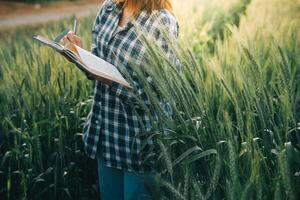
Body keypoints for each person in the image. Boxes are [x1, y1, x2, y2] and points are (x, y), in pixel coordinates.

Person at [62, 0, 179, 199]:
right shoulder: (109, 8)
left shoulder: (162, 22)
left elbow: (157, 93)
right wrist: (79, 54)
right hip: (106, 134)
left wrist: (107, 79)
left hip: (140, 145)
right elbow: (99, 60)